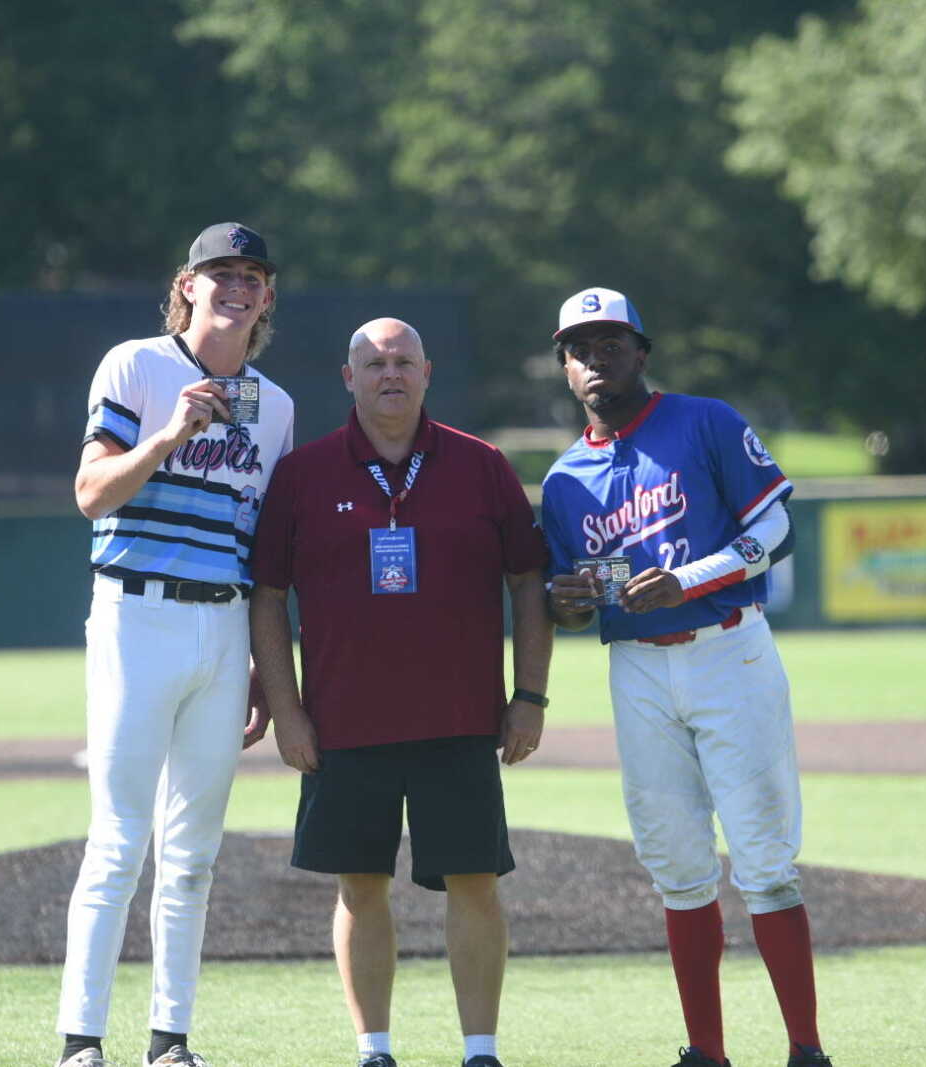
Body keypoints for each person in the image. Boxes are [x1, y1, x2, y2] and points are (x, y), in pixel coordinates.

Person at [537, 288, 832, 1067]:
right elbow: (575, 593)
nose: (595, 358)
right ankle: (708, 1051)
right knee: (675, 864)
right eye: (579, 348)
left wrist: (691, 577)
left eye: (609, 342)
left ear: (642, 349)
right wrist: (560, 602)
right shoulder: (565, 478)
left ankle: (806, 1048)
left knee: (765, 860)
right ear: (564, 368)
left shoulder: (706, 420)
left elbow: (777, 526)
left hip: (728, 650)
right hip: (634, 667)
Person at [248, 318, 552, 1067]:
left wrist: (531, 695)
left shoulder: (481, 465)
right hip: (344, 720)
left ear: (428, 373)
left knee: (474, 880)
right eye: (374, 362)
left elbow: (526, 580)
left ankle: (481, 1050)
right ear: (347, 377)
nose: (390, 373)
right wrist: (286, 711)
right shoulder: (303, 474)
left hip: (460, 717)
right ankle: (373, 1049)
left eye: (403, 361)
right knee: (360, 883)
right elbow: (266, 596)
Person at [56, 222, 295, 1067]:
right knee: (119, 838)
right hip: (138, 612)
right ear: (186, 285)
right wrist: (166, 437)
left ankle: (170, 1039)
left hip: (225, 625)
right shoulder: (137, 364)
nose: (235, 286)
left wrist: (267, 664)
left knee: (192, 850)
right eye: (218, 272)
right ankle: (82, 1041)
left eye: (251, 275)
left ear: (267, 296)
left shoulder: (277, 405)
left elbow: (263, 544)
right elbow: (90, 493)